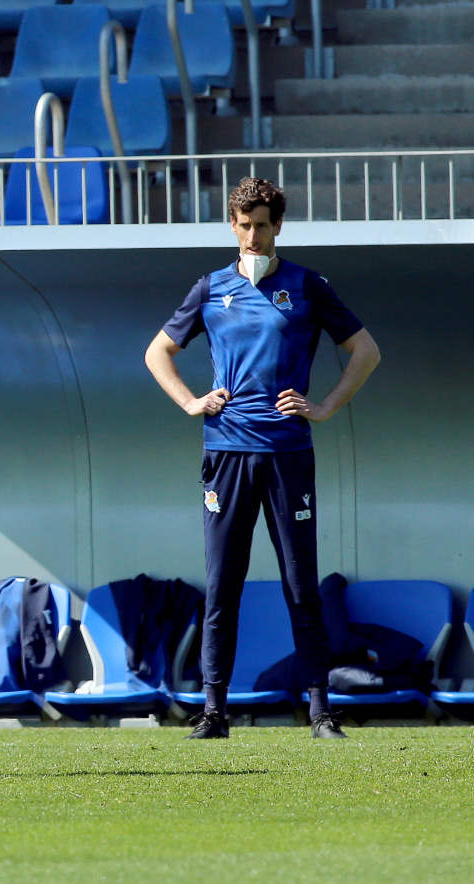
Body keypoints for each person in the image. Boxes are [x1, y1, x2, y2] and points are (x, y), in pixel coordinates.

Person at [144, 177, 380, 740]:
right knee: (223, 584)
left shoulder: (307, 286)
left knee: (301, 586)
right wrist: (192, 402)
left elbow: (366, 351)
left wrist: (321, 407)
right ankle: (214, 713)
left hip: (287, 453)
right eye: (244, 225)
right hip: (225, 452)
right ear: (233, 225)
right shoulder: (210, 288)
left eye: (263, 225)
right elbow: (158, 352)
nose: (253, 236)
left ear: (279, 227)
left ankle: (321, 713)